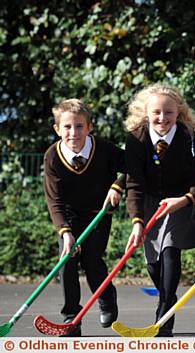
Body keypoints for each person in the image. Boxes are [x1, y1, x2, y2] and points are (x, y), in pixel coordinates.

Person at [125, 83, 195, 337]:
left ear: (179, 113)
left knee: (170, 250)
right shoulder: (136, 139)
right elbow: (134, 181)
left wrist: (187, 198)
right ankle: (168, 299)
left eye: (169, 112)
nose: (163, 118)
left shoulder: (188, 137)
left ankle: (163, 317)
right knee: (154, 263)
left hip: (180, 201)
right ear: (146, 113)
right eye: (157, 112)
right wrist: (137, 220)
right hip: (150, 202)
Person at [44, 99, 124, 336]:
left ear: (89, 127)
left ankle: (107, 298)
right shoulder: (52, 156)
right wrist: (65, 231)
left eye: (79, 126)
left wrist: (118, 186)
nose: (73, 133)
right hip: (68, 215)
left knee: (91, 261)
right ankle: (71, 317)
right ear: (57, 129)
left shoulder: (106, 149)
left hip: (98, 213)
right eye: (67, 127)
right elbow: (54, 199)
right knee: (67, 261)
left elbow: (135, 168)